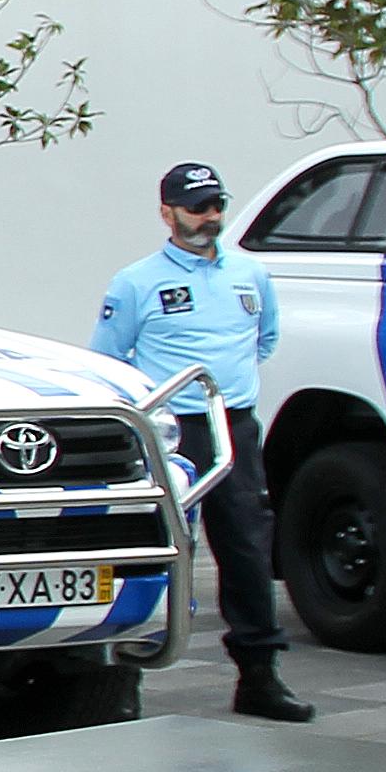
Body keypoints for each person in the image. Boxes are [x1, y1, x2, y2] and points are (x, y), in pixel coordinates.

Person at [94, 160, 310, 724]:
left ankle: (259, 674)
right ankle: (124, 678)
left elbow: (264, 341)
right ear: (167, 213)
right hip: (171, 431)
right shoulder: (136, 282)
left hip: (232, 425)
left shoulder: (250, 274)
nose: (209, 217)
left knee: (245, 547)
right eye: (196, 207)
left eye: (216, 205)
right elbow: (108, 361)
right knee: (161, 549)